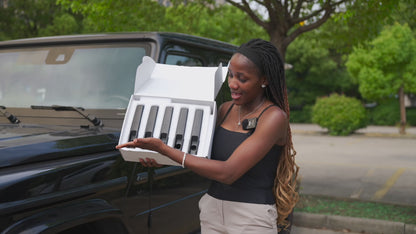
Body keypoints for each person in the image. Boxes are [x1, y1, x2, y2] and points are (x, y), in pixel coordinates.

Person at [116, 38, 299, 233]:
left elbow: (228, 173)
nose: (232, 84)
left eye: (242, 78)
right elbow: (203, 160)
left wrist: (166, 150)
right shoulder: (225, 110)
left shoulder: (273, 117)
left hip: (251, 217)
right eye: (230, 75)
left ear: (264, 80)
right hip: (212, 210)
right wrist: (162, 158)